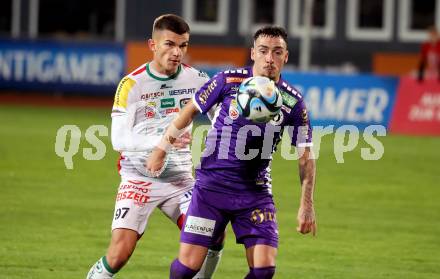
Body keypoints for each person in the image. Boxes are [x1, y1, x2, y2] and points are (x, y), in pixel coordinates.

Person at [147, 26, 317, 279]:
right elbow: (190, 110)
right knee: (186, 268)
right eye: (263, 51)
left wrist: (307, 204)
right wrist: (162, 148)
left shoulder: (293, 101)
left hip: (254, 192)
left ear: (286, 57)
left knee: (263, 270)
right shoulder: (227, 80)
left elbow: (305, 156)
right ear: (253, 53)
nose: (270, 58)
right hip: (211, 188)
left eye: (277, 52)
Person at [86, 14, 223, 279]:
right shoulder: (132, 85)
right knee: (119, 254)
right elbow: (119, 139)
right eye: (170, 44)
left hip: (180, 180)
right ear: (152, 45)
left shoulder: (196, 79)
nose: (177, 52)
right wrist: (165, 141)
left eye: (183, 46)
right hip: (138, 179)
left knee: (214, 235)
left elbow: (220, 116)